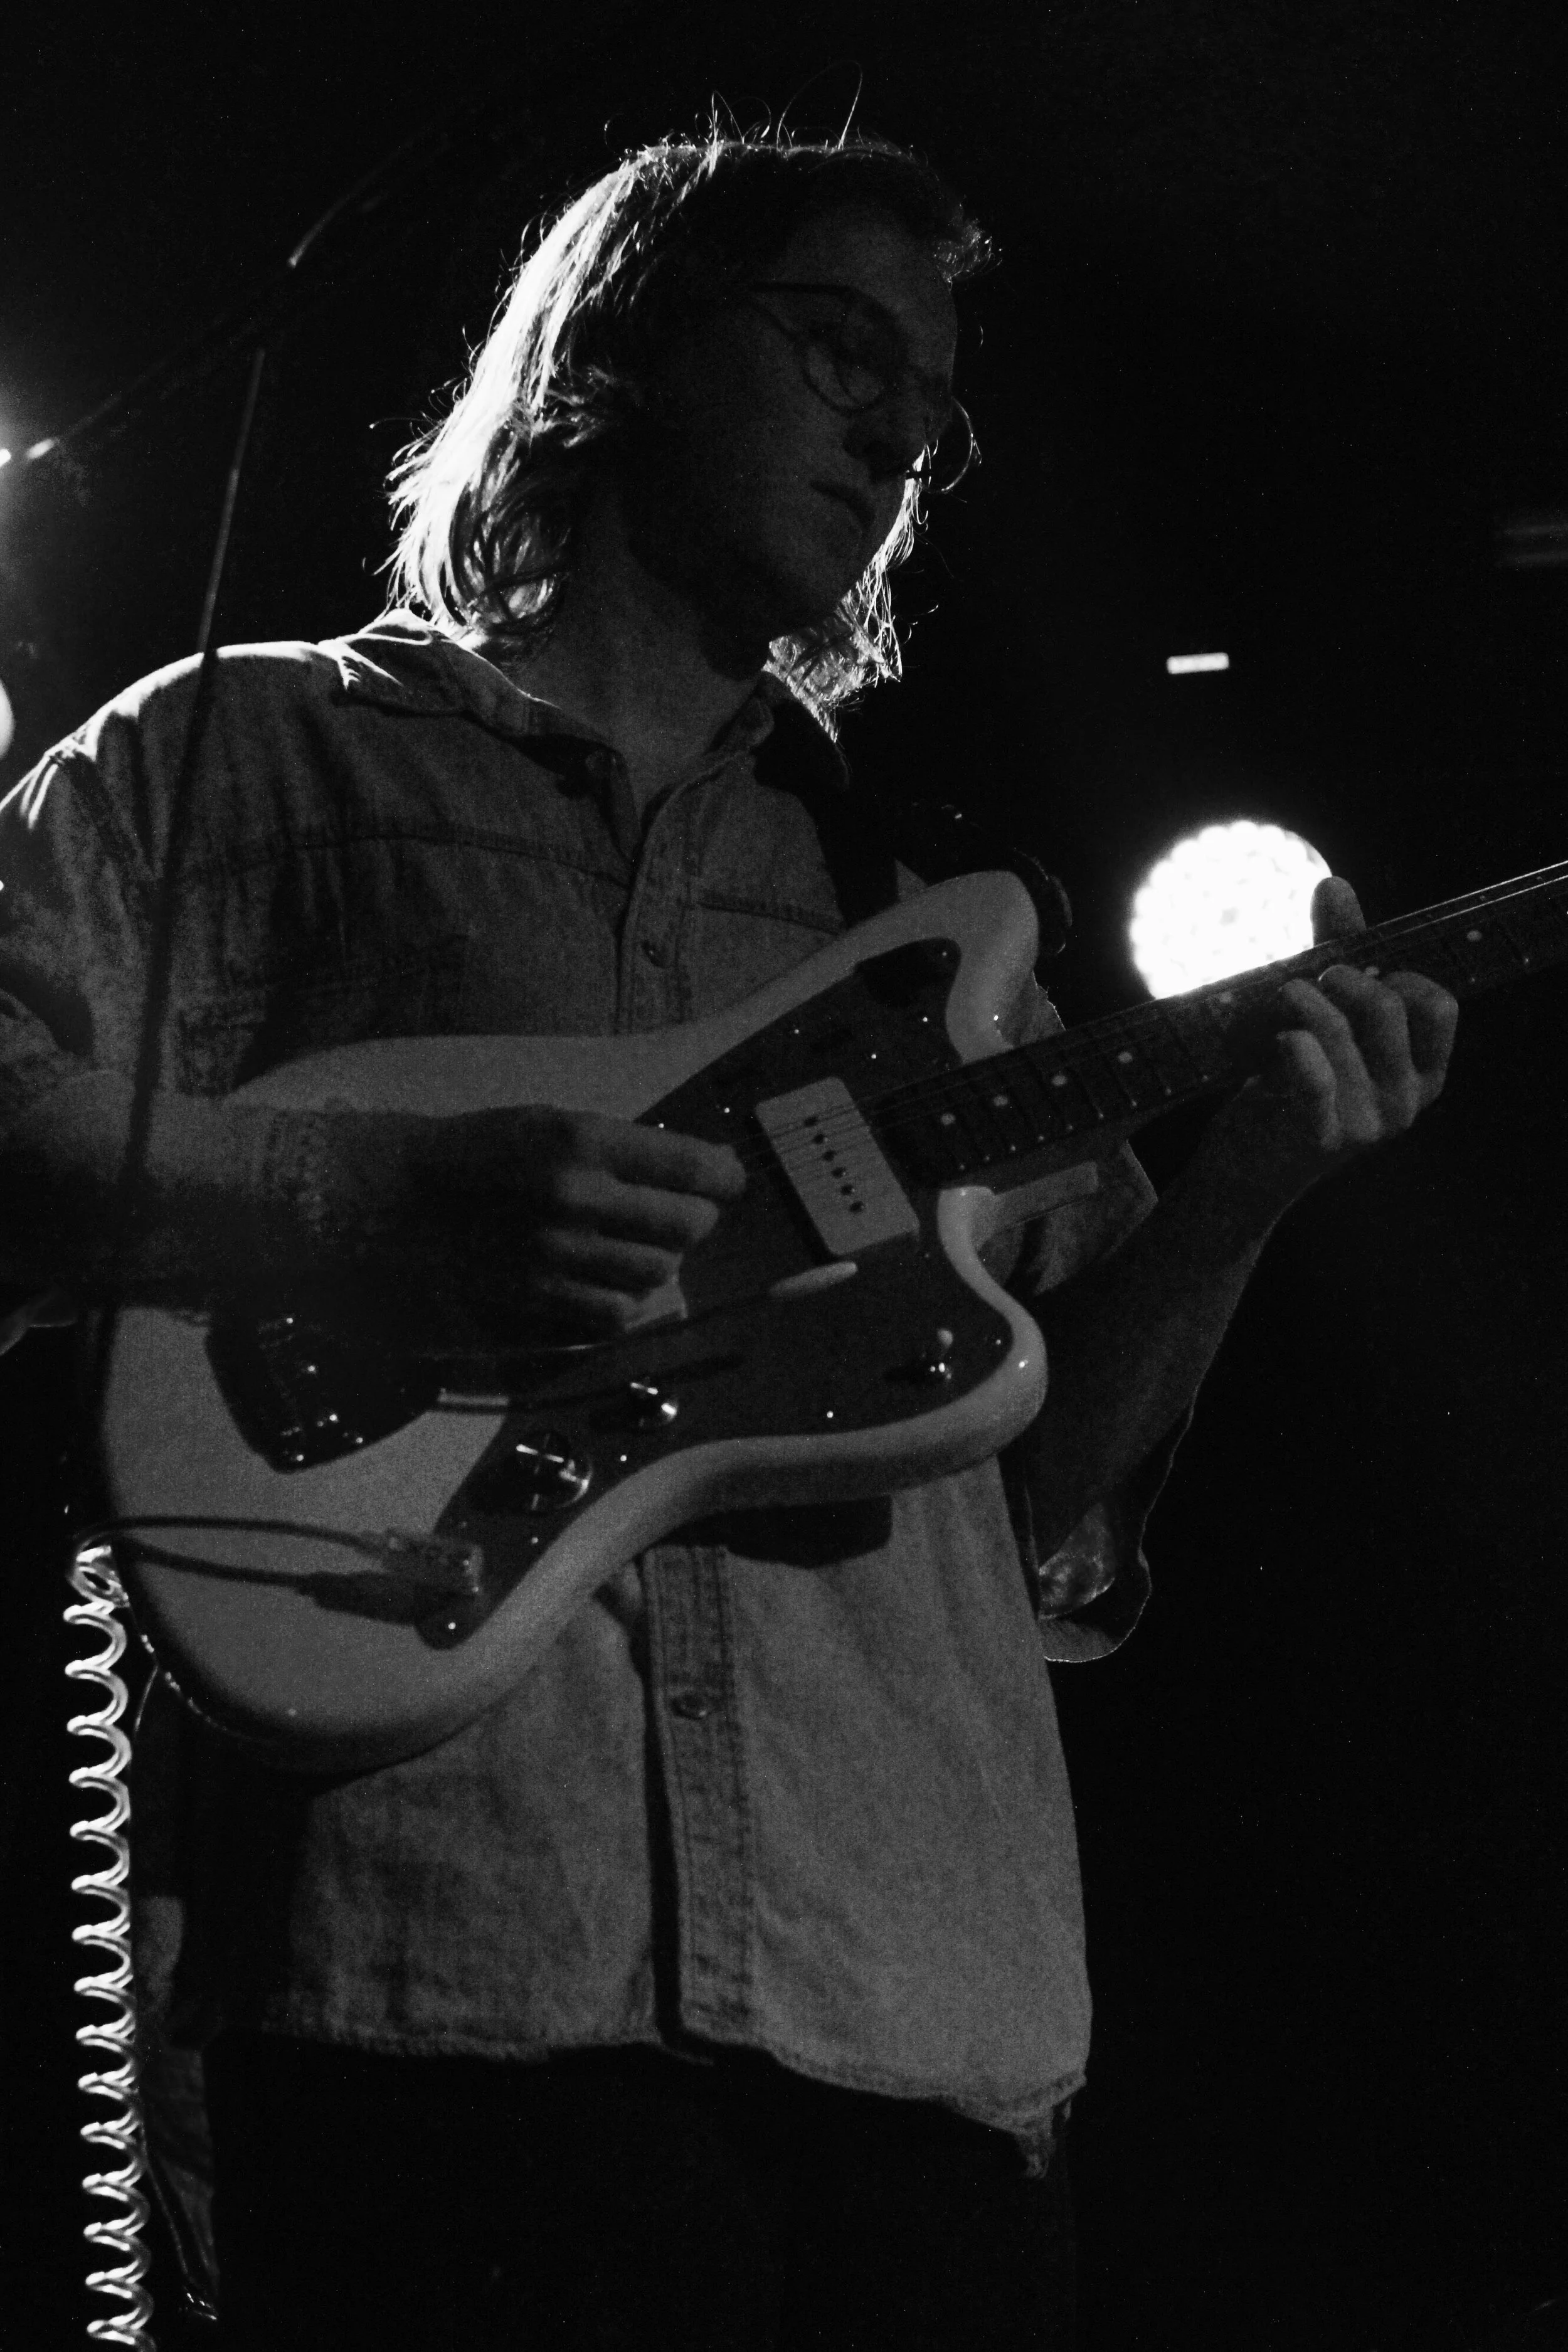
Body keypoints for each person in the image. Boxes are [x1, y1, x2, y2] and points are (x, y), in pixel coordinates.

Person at [0, 129, 1456, 2350]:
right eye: (835, 351)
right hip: (447, 1966)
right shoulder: (244, 753)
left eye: (933, 412)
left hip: (918, 2001)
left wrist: (1246, 1189)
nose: (896, 438)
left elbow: (1035, 1519)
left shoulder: (916, 902)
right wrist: (367, 1195)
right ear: (612, 352)